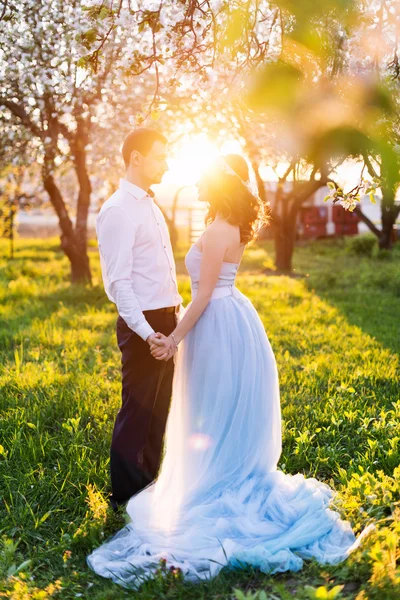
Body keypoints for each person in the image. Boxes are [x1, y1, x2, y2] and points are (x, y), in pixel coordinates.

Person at [88, 154, 374, 587]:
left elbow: (202, 297)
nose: (198, 189)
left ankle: (216, 479)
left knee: (212, 407)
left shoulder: (219, 230)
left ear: (217, 187)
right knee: (218, 407)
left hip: (215, 322)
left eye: (203, 183)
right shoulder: (229, 225)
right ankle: (219, 470)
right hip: (229, 316)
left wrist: (174, 338)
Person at [95, 128, 182, 510]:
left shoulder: (148, 203)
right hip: (142, 324)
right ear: (136, 158)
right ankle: (125, 498)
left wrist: (173, 323)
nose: (166, 164)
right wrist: (149, 334)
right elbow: (119, 284)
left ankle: (148, 491)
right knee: (138, 410)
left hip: (166, 319)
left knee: (158, 412)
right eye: (161, 156)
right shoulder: (117, 210)